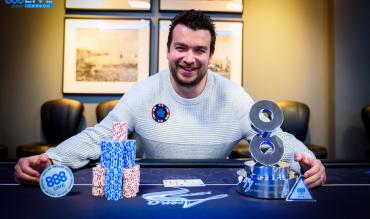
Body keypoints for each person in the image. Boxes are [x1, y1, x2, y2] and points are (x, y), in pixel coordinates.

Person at [14, 10, 326, 188]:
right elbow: (99, 136)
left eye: (199, 50)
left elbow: (273, 139)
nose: (189, 58)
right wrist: (51, 159)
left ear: (210, 55)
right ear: (168, 50)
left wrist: (309, 162)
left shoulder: (234, 96)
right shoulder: (143, 92)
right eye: (181, 48)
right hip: (151, 192)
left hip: (219, 194)